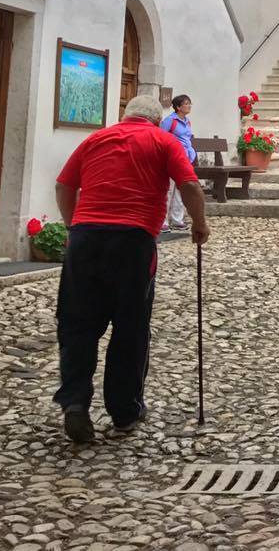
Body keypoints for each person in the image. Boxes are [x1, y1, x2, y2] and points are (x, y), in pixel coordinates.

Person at [53, 94, 209, 444]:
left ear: (125, 116)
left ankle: (75, 402)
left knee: (77, 324)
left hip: (85, 238)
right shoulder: (163, 140)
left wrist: (71, 227)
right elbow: (189, 185)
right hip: (133, 240)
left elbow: (64, 185)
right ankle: (124, 411)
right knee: (130, 326)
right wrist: (199, 224)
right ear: (154, 120)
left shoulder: (96, 138)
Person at [159, 94, 196, 232]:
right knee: (168, 190)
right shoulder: (170, 121)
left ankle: (177, 219)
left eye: (189, 103)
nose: (189, 106)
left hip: (185, 160)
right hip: (172, 159)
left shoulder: (187, 122)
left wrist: (191, 153)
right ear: (178, 107)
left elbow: (187, 139)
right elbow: (161, 137)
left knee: (181, 190)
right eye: (186, 103)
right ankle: (163, 221)